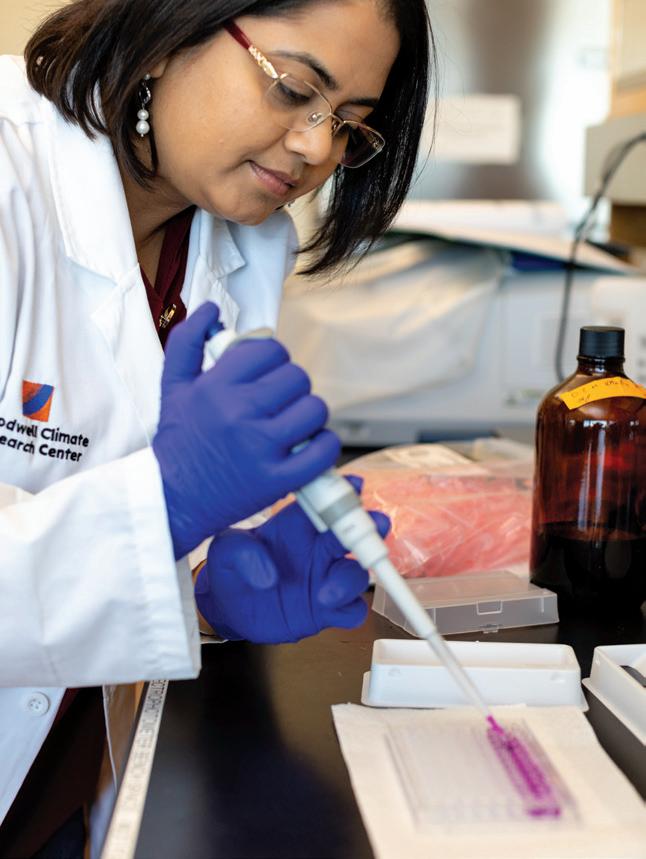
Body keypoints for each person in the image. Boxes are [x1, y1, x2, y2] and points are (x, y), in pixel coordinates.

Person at [0, 0, 433, 855]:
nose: (316, 147)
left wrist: (202, 593)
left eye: (350, 123)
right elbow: (139, 498)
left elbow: (122, 538)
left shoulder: (246, 238)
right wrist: (166, 500)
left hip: (58, 780)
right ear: (168, 30)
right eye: (294, 89)